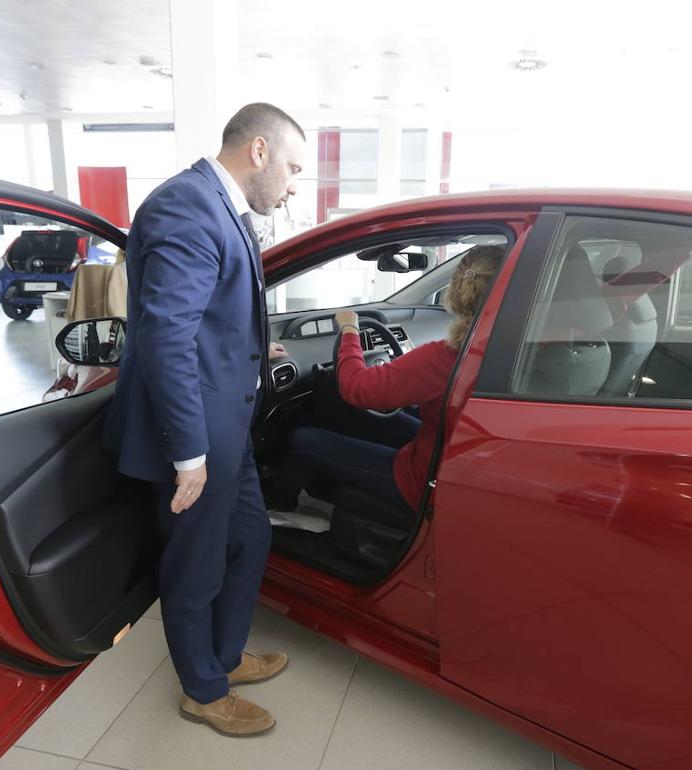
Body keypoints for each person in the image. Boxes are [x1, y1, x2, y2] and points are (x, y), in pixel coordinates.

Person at [103, 103, 305, 736]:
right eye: (294, 167)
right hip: (192, 438)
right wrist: (188, 454)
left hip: (227, 424)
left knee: (251, 538)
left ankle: (225, 655)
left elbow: (206, 314)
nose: (295, 184)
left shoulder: (222, 209)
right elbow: (165, 337)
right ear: (260, 152)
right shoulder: (185, 206)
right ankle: (203, 689)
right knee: (197, 563)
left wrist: (249, 349)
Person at [268, 245, 505, 515]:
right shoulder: (507, 351)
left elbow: (357, 388)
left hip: (421, 482)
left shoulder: (447, 357)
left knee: (302, 440)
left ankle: (278, 508)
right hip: (447, 457)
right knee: (362, 416)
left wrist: (348, 330)